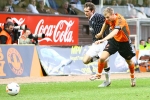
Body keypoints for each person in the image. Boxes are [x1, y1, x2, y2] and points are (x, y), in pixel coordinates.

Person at [90, 7, 136, 87]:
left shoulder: (120, 20)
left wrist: (103, 39)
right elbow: (105, 23)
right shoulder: (108, 19)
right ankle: (98, 74)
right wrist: (101, 33)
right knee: (102, 58)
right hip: (114, 41)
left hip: (124, 43)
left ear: (112, 14)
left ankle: (132, 77)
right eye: (105, 17)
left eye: (108, 17)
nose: (106, 19)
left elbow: (114, 32)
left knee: (129, 61)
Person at [83, 2, 111, 87]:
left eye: (87, 11)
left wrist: (104, 35)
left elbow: (107, 21)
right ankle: (100, 57)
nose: (85, 13)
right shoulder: (91, 18)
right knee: (85, 60)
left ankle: (107, 81)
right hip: (95, 43)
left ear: (92, 11)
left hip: (103, 43)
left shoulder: (98, 16)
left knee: (104, 63)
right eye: (85, 11)